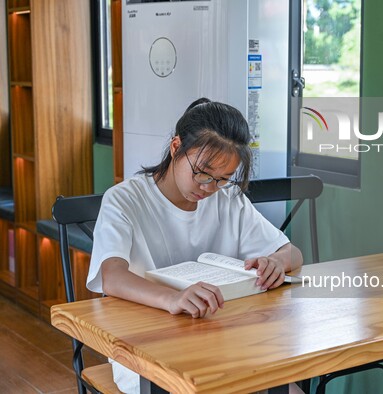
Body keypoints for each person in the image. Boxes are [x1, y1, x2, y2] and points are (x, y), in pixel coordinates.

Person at [87, 98, 304, 393]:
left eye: (223, 179)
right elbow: (111, 276)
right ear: (176, 147)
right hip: (146, 351)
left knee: (285, 387)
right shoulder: (124, 200)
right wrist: (172, 299)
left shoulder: (228, 201)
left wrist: (276, 262)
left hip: (223, 341)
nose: (208, 187)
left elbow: (292, 252)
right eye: (202, 172)